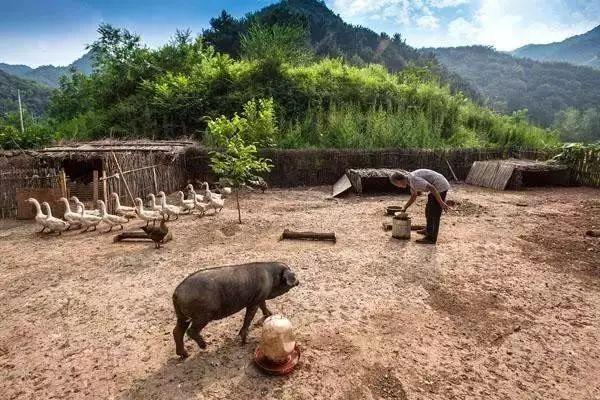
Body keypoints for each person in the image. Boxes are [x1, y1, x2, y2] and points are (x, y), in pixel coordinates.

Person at [389, 169, 451, 244]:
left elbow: (431, 188)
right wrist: (405, 207)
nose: (398, 186)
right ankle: (428, 230)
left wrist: (441, 202)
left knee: (434, 213)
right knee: (428, 210)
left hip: (440, 185)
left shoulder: (414, 180)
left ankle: (431, 238)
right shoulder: (410, 182)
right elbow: (413, 196)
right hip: (435, 186)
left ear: (398, 181)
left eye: (396, 185)